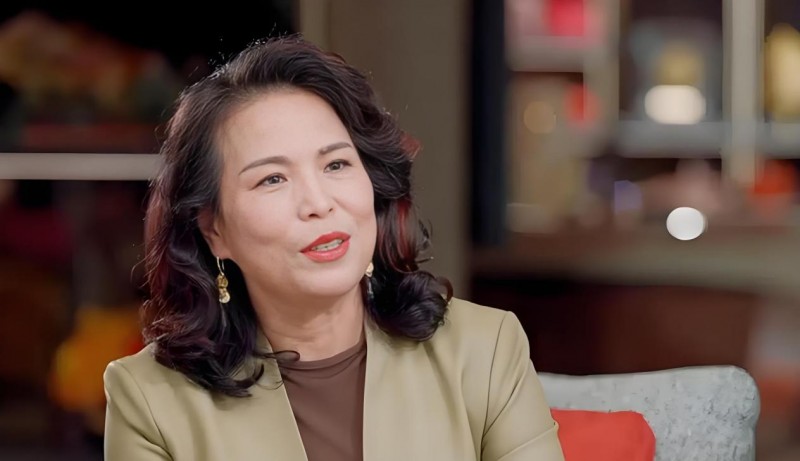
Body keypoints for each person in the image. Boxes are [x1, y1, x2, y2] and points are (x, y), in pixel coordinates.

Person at [103, 35, 564, 461]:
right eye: (273, 179)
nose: (319, 203)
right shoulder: (150, 400)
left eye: (336, 164)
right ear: (213, 230)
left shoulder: (484, 350)